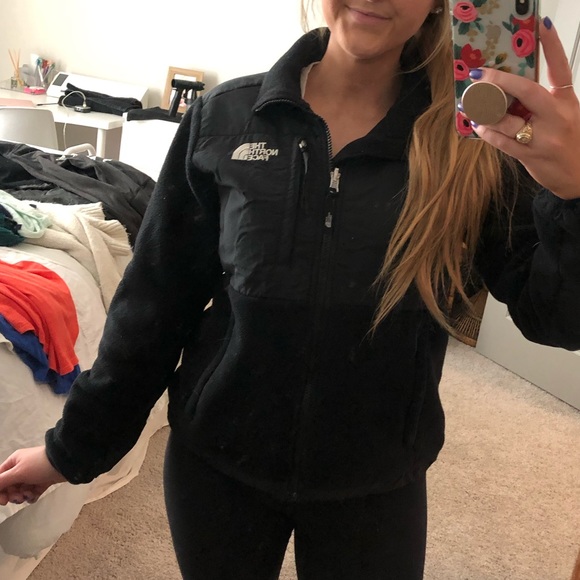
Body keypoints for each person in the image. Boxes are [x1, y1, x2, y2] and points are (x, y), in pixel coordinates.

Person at [1, 1, 579, 578]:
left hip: (377, 480)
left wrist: (574, 196)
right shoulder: (225, 118)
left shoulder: (477, 142)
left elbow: (557, 319)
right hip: (216, 466)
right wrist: (68, 449)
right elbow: (152, 308)